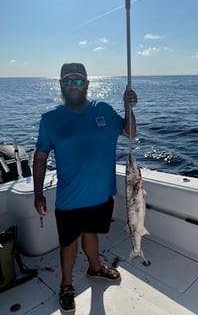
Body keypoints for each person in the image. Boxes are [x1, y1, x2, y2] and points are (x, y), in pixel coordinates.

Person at [33, 62, 137, 312]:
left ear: (87, 84)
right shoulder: (50, 119)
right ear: (60, 85)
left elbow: (130, 133)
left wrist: (127, 107)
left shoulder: (102, 109)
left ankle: (95, 269)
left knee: (91, 233)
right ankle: (66, 285)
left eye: (79, 80)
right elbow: (39, 158)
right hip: (69, 199)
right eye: (68, 81)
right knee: (68, 242)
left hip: (100, 196)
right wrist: (38, 194)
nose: (73, 85)